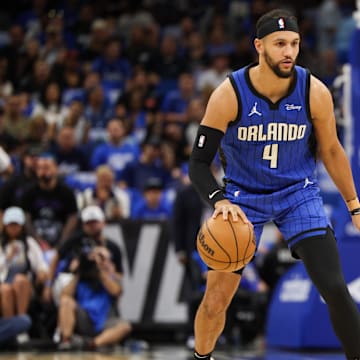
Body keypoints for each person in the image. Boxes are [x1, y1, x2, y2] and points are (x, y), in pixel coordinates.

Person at [188, 9, 360, 360]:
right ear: (259, 46)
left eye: (294, 43)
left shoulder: (314, 91)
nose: (288, 52)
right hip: (242, 199)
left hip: (298, 194)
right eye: (279, 43)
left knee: (335, 288)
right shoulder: (229, 94)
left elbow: (330, 150)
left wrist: (354, 205)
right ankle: (201, 357)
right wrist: (220, 200)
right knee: (215, 301)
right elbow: (197, 163)